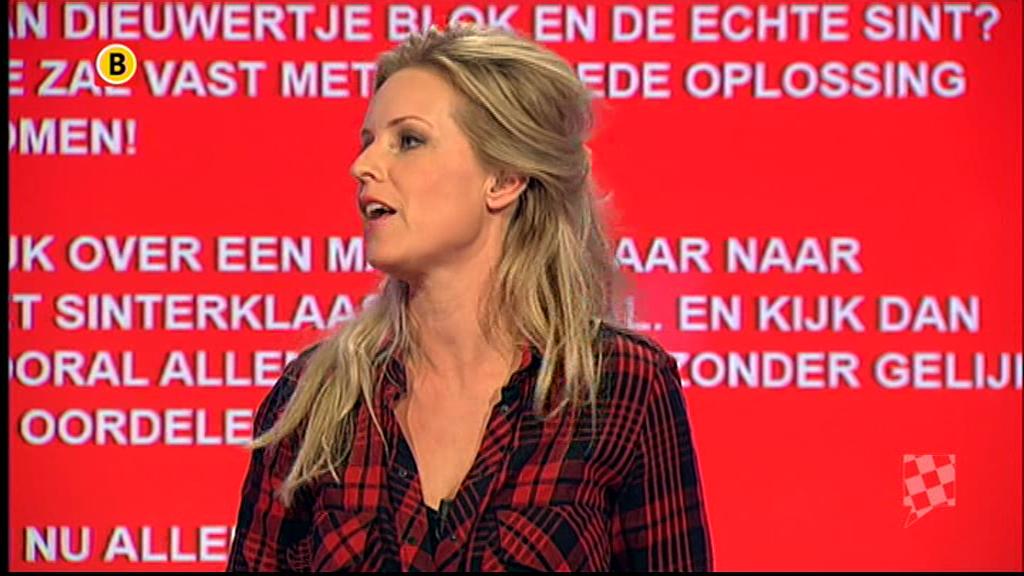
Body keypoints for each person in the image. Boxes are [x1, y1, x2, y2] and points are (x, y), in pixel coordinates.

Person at [227, 22, 713, 572]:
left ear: (503, 179)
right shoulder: (317, 399)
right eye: (368, 142)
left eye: (409, 141)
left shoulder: (617, 384)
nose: (362, 167)